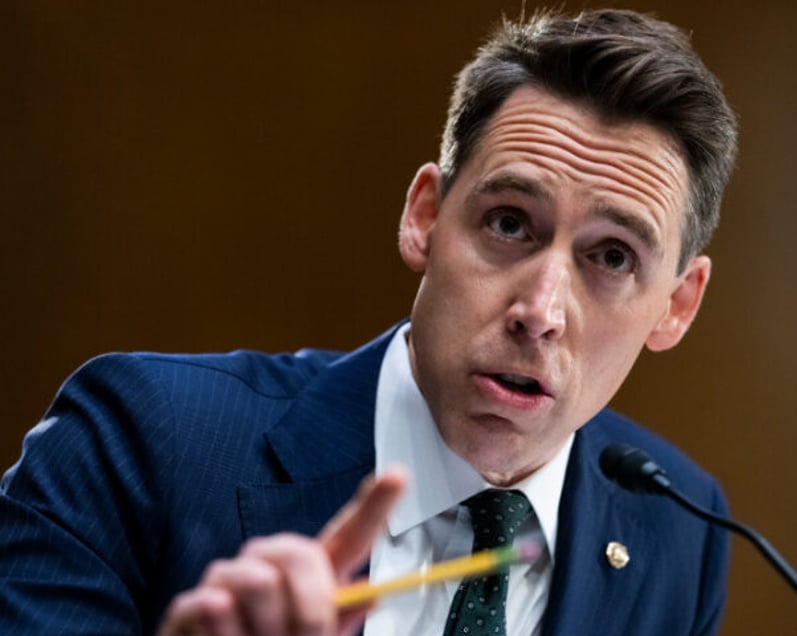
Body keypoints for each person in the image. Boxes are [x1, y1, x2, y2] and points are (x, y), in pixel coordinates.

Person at [0, 7, 738, 635]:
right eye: (510, 223)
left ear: (676, 305)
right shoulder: (141, 440)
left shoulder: (679, 525)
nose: (539, 313)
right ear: (424, 217)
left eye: (611, 257)